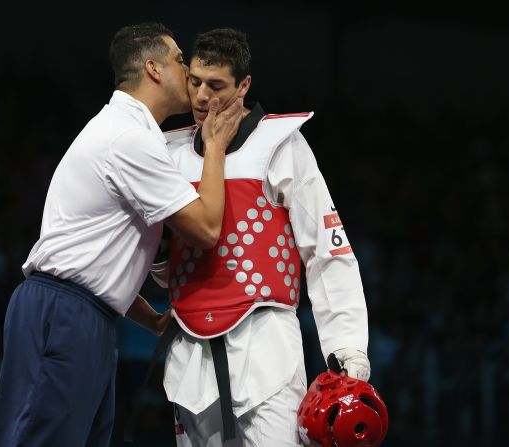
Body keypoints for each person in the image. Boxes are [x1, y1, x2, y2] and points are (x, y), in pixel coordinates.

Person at [0, 22, 243, 447]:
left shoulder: (126, 131)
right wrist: (215, 146)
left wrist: (145, 314)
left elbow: (97, 246)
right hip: (66, 312)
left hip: (86, 314)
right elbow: (205, 229)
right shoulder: (129, 138)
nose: (190, 72)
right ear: (154, 69)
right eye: (180, 60)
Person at [152, 28, 371, 446]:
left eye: (216, 86)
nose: (201, 97)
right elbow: (162, 267)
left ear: (244, 85)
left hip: (266, 345)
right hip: (189, 353)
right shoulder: (168, 155)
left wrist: (347, 345)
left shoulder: (279, 146)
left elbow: (326, 249)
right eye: (194, 81)